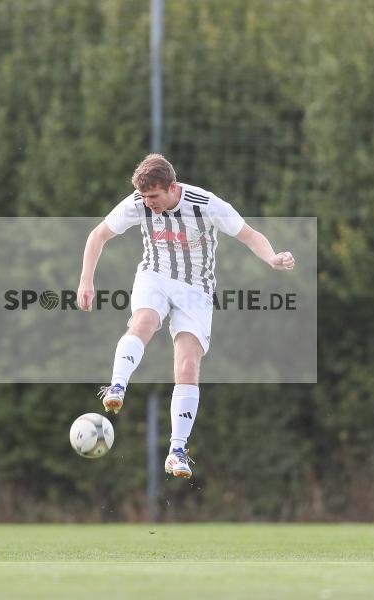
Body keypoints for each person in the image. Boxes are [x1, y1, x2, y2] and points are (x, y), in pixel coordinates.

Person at [77, 154, 294, 479]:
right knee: (144, 321)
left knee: (188, 366)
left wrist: (272, 257)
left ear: (172, 187)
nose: (148, 203)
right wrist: (86, 281)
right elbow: (98, 235)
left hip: (196, 290)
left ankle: (176, 451)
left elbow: (249, 235)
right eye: (144, 196)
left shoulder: (206, 204)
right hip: (154, 276)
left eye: (153, 196)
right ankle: (117, 387)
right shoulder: (138, 202)